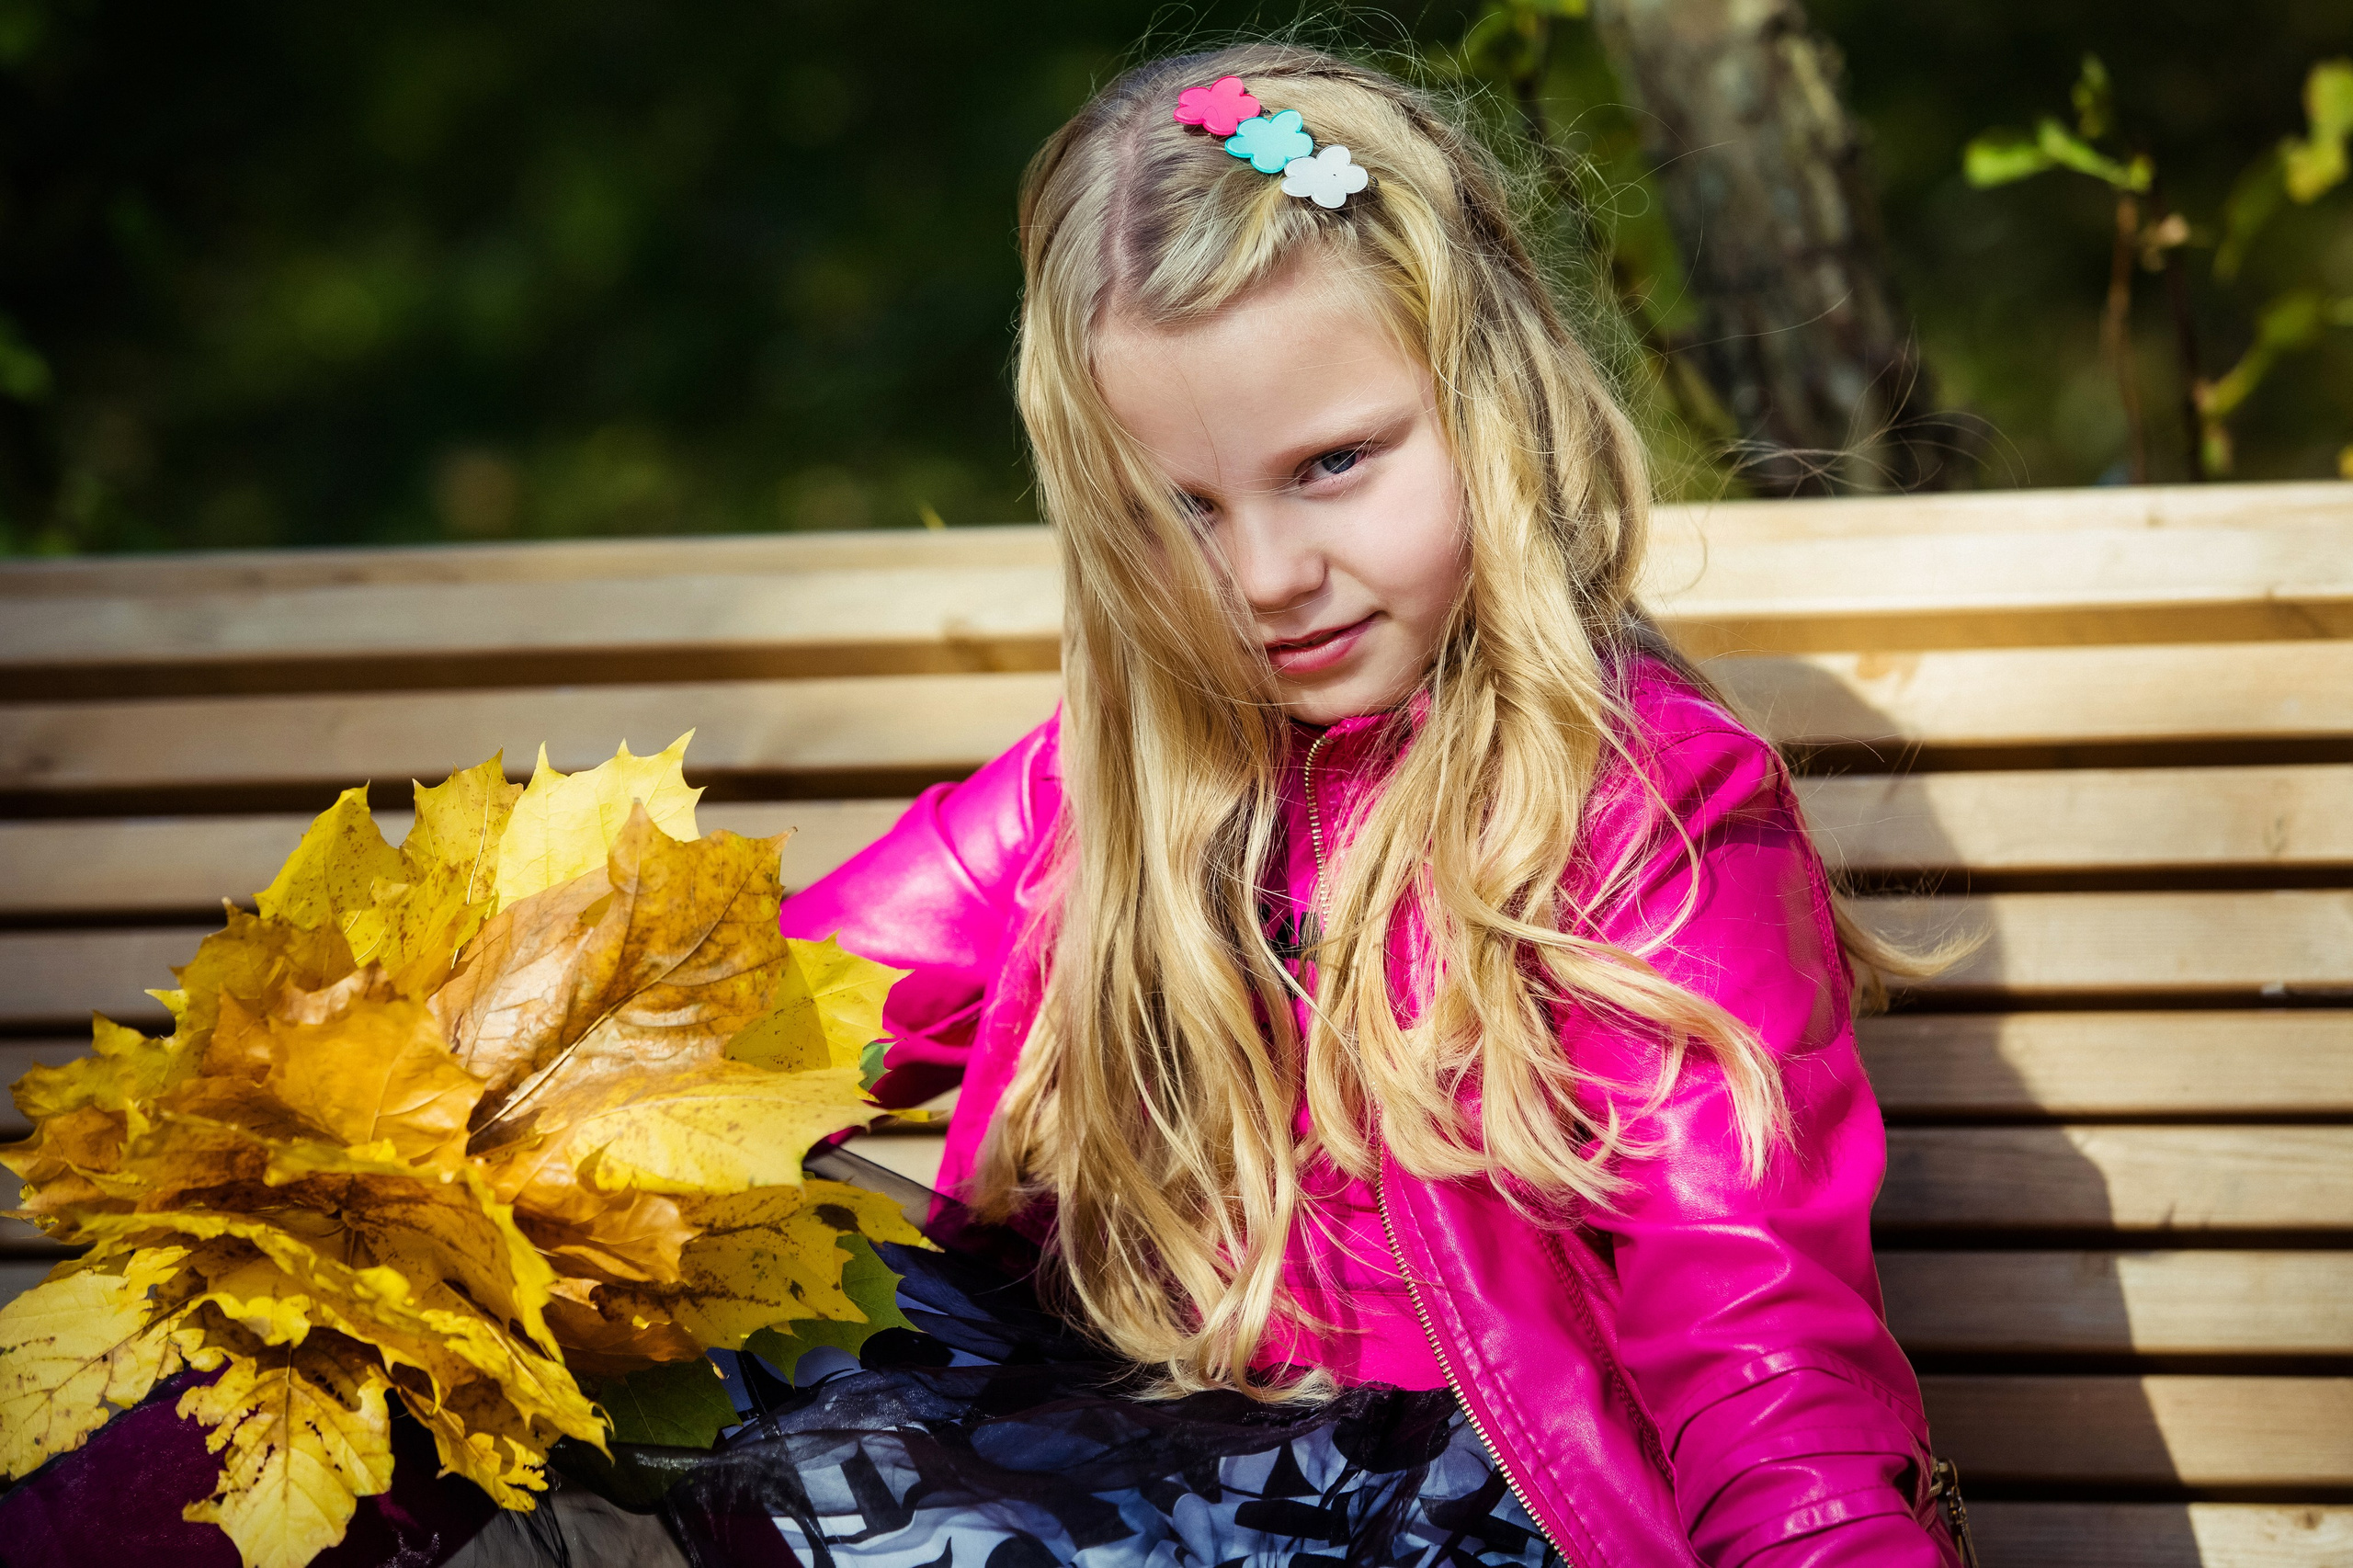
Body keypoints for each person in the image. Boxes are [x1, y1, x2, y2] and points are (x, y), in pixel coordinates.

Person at [675, 41, 1973, 1568]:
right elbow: (739, 1038)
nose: (1268, 576)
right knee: (683, 1273)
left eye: (1335, 464)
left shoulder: (1635, 810)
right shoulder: (1106, 797)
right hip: (1128, 1482)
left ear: (1487, 402)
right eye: (1183, 509)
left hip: (1443, 1523)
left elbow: (1760, 1348)